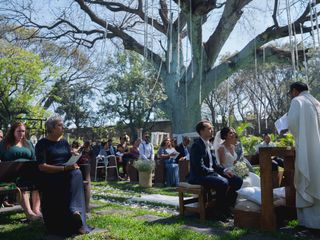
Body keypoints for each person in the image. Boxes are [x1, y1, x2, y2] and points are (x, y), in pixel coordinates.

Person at [35, 115, 92, 236]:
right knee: (73, 175)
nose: (63, 127)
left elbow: (68, 159)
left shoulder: (64, 143)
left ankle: (77, 215)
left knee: (76, 173)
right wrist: (65, 168)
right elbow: (42, 166)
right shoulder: (42, 144)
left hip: (66, 173)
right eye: (60, 125)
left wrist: (74, 157)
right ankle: (75, 213)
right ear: (52, 128)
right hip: (51, 175)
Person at [188, 120, 243, 221]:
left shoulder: (210, 145)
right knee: (223, 182)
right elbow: (199, 167)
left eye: (212, 128)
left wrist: (225, 171)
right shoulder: (197, 146)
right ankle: (218, 211)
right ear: (201, 131)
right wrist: (215, 174)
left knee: (237, 180)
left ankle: (227, 207)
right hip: (198, 176)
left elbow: (215, 165)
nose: (212, 130)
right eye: (209, 128)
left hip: (209, 173)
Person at [287, 81, 320, 229]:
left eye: (290, 93)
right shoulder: (317, 102)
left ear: (294, 91)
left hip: (307, 148)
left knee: (306, 179)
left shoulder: (297, 101)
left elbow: (293, 124)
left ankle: (309, 223)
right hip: (317, 149)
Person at [0, 122, 41, 221]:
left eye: (23, 131)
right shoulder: (4, 144)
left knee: (40, 179)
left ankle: (36, 210)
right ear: (13, 132)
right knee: (23, 182)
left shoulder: (28, 143)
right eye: (18, 131)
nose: (21, 133)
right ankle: (29, 213)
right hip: (12, 172)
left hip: (29, 170)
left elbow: (34, 159)